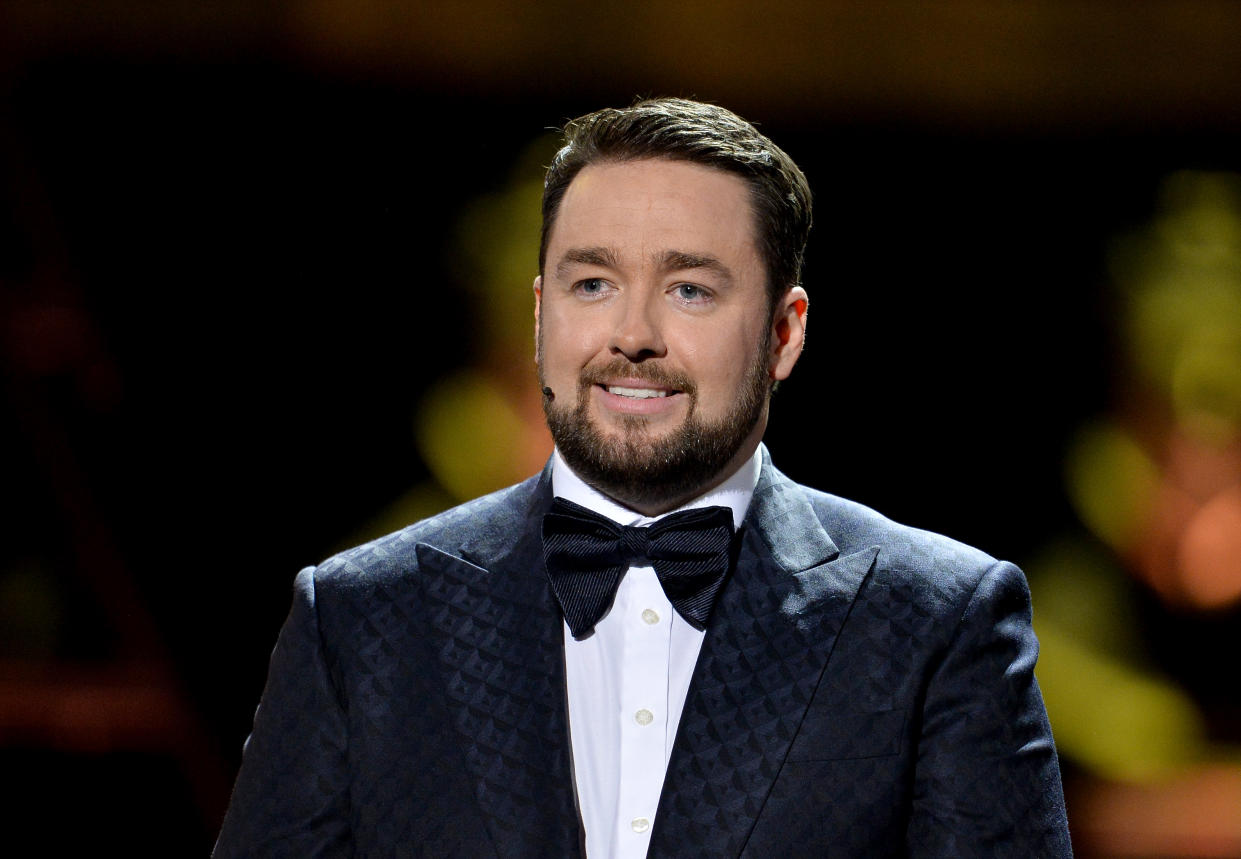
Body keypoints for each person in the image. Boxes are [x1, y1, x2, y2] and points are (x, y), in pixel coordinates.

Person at [214, 98, 1072, 858]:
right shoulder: (359, 618)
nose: (632, 334)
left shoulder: (937, 624)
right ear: (542, 314)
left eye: (690, 290)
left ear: (784, 332)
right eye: (593, 283)